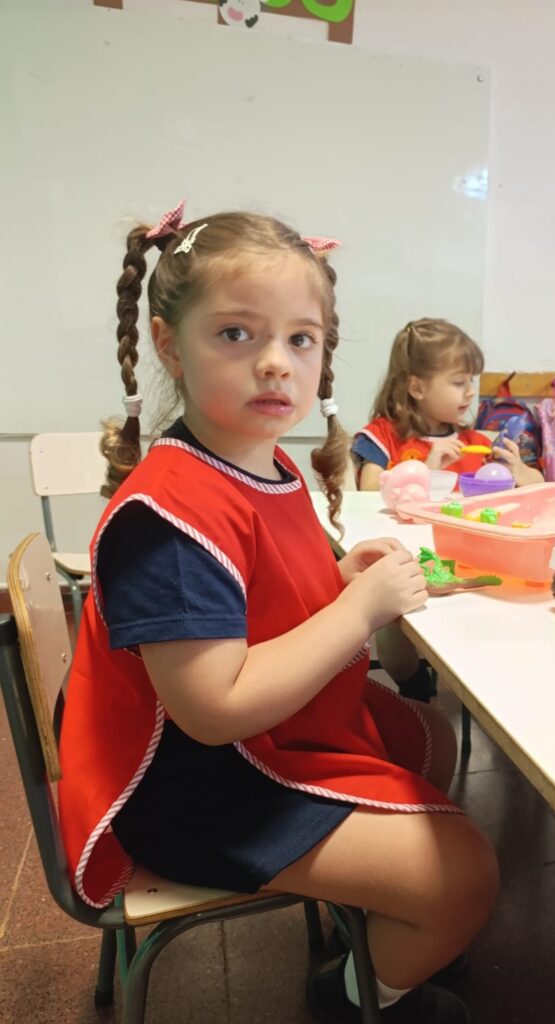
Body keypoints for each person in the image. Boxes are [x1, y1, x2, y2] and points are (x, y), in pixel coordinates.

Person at [57, 205, 498, 1024]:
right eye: (235, 334)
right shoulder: (169, 518)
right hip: (190, 790)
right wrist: (358, 610)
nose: (274, 363)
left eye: (301, 339)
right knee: (464, 872)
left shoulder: (261, 463)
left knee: (428, 736)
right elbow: (214, 708)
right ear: (168, 346)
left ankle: (388, 921)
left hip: (253, 747)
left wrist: (339, 578)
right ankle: (351, 995)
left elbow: (261, 597)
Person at [351, 318, 543, 701]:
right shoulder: (384, 436)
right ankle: (413, 686)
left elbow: (538, 491)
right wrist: (426, 469)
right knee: (392, 626)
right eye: (458, 382)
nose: (470, 392)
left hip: (465, 565)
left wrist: (519, 472)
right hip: (405, 561)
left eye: (471, 381)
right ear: (417, 387)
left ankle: (486, 685)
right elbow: (368, 492)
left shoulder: (476, 442)